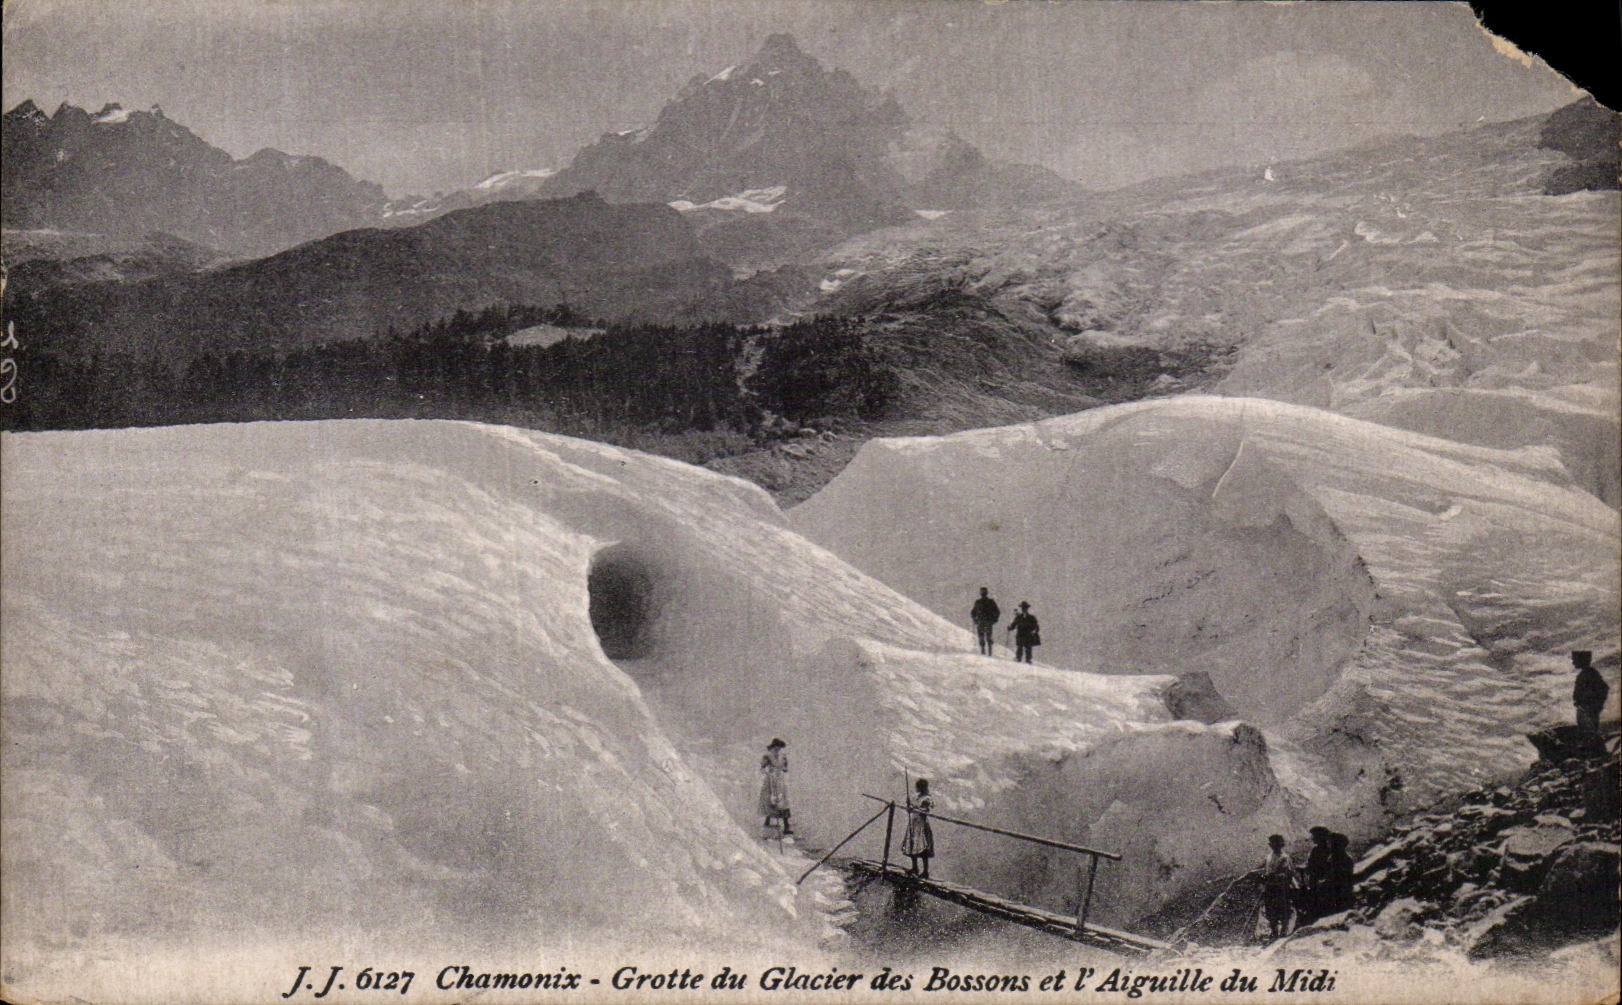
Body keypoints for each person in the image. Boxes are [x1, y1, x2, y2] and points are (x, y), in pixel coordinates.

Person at [1296, 826, 1332, 925]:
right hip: (1316, 880)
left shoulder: (1323, 851)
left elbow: (1314, 865)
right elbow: (1309, 864)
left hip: (1321, 881)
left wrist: (1305, 868)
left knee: (1317, 901)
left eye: (1315, 836)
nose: (1312, 838)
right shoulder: (1318, 850)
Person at [1261, 834, 1295, 939]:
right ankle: (1274, 932)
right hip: (1270, 887)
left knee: (1283, 910)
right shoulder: (1269, 857)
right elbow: (1266, 870)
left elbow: (1288, 873)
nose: (1274, 846)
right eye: (1272, 843)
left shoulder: (1284, 858)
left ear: (1281, 845)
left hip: (1281, 888)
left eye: (1277, 843)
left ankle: (1284, 932)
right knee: (1270, 910)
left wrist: (1275, 876)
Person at [759, 738, 793, 838]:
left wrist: (784, 766)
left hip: (780, 781)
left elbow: (785, 768)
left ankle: (786, 825)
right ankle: (767, 822)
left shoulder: (782, 756)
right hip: (770, 781)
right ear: (773, 746)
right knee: (770, 800)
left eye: (779, 748)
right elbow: (762, 767)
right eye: (776, 747)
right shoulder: (767, 755)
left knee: (782, 801)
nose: (778, 749)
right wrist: (768, 772)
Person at [902, 778, 935, 878]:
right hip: (913, 824)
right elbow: (909, 810)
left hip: (921, 825)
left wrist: (913, 807)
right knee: (912, 845)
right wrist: (909, 805)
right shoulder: (916, 797)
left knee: (923, 847)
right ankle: (915, 868)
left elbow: (924, 810)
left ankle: (925, 871)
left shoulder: (927, 798)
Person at [1572, 650, 1608, 741]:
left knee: (1589, 733)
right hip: (1585, 708)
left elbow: (1604, 688)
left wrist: (1594, 705)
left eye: (1574, 659)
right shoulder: (1587, 673)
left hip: (1587, 709)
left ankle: (1593, 750)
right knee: (1586, 732)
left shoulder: (1589, 674)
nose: (1572, 662)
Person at [1320, 832, 1355, 917]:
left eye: (1330, 843)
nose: (1328, 845)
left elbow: (1340, 877)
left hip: (1340, 892)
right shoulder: (1333, 857)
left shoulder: (1343, 858)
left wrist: (1326, 881)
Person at [970, 588, 1001, 656]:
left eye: (983, 592)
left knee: (987, 637)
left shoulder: (988, 602)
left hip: (986, 621)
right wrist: (975, 619)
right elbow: (973, 612)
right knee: (983, 637)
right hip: (983, 622)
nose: (983, 594)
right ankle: (984, 651)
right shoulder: (980, 602)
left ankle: (987, 652)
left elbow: (997, 612)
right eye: (982, 592)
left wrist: (994, 620)